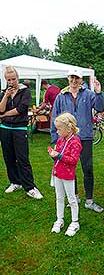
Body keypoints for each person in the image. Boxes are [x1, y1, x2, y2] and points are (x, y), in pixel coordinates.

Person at [51, 68, 104, 213]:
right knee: (69, 169)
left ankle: (89, 200)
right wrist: (55, 138)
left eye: (77, 78)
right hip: (66, 139)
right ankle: (74, 197)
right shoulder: (61, 96)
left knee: (87, 168)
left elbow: (100, 107)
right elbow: (54, 117)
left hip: (85, 137)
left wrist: (99, 92)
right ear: (68, 78)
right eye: (72, 78)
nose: (74, 81)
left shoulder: (88, 94)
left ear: (81, 80)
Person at [0, 66, 43, 199]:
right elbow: (0, 109)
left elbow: (21, 109)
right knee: (9, 157)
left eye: (13, 79)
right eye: (8, 80)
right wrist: (6, 96)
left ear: (17, 78)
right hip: (5, 128)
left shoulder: (25, 91)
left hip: (19, 128)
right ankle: (15, 182)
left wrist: (3, 115)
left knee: (22, 158)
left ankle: (30, 187)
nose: (11, 82)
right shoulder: (4, 92)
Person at [49, 112, 82, 236]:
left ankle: (75, 222)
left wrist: (59, 156)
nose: (57, 132)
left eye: (59, 129)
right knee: (59, 197)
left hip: (68, 175)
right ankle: (60, 219)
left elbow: (73, 160)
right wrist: (54, 155)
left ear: (68, 129)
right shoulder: (61, 140)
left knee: (72, 199)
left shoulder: (75, 142)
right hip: (57, 173)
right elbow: (58, 154)